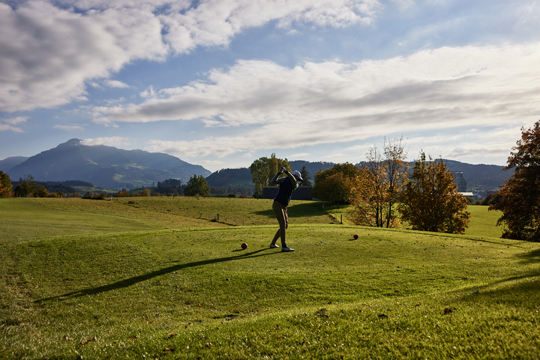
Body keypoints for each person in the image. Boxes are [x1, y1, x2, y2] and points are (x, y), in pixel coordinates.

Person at [269, 166, 303, 252]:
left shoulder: (295, 184)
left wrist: (287, 172)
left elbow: (293, 180)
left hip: (284, 206)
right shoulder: (283, 179)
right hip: (277, 204)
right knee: (283, 225)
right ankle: (284, 246)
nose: (299, 180)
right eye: (298, 178)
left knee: (285, 226)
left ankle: (273, 244)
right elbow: (273, 181)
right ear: (294, 175)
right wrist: (279, 173)